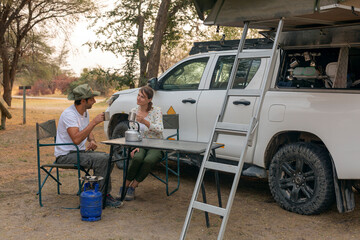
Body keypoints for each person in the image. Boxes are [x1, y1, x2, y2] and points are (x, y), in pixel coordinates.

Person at [55, 84, 122, 208]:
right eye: (92, 99)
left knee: (109, 157)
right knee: (103, 160)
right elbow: (76, 139)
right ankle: (101, 197)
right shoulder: (69, 114)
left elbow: (87, 131)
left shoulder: (84, 112)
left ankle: (97, 191)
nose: (95, 101)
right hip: (66, 155)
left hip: (78, 152)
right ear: (83, 100)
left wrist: (92, 140)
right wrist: (94, 122)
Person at [123, 86, 164, 201]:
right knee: (137, 158)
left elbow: (160, 129)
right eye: (138, 95)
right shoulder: (133, 111)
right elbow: (132, 130)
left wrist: (145, 121)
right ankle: (125, 186)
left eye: (143, 97)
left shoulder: (156, 110)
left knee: (148, 160)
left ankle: (132, 186)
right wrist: (134, 146)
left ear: (149, 99)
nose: (139, 98)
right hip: (140, 144)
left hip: (156, 144)